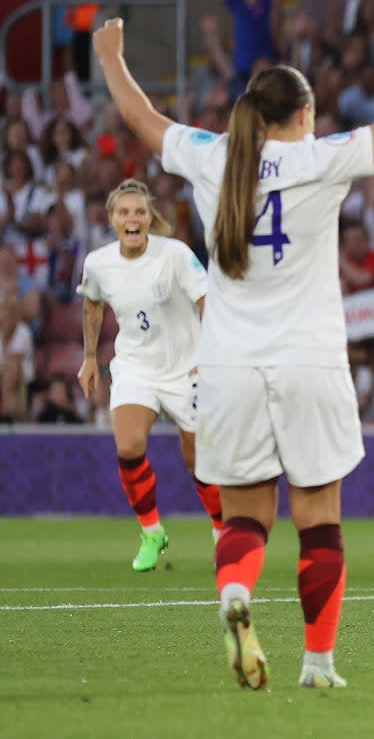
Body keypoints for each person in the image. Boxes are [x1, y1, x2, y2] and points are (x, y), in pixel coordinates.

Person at [93, 13, 374, 689]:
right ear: (305, 114)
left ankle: (235, 593)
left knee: (246, 516)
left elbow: (141, 117)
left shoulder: (210, 154)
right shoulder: (322, 158)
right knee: (319, 521)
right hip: (309, 363)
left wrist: (111, 56)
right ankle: (318, 663)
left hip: (225, 370)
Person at [76, 179, 221, 571]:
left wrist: (210, 353)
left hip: (187, 367)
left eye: (139, 211)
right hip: (136, 366)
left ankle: (222, 530)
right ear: (112, 219)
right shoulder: (98, 263)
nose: (132, 218)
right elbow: (92, 305)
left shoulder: (174, 254)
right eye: (124, 212)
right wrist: (91, 357)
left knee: (199, 463)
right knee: (128, 446)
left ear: (149, 217)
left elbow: (207, 299)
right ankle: (151, 531)